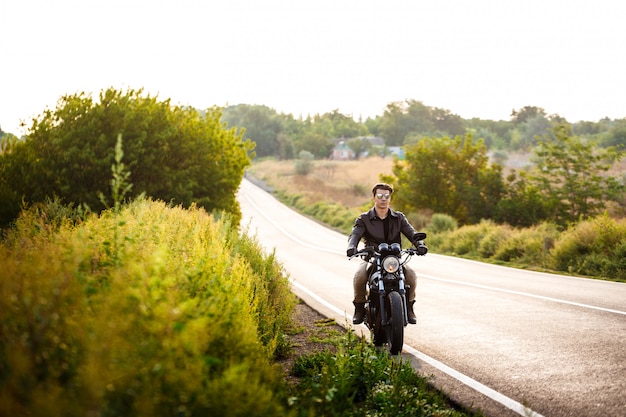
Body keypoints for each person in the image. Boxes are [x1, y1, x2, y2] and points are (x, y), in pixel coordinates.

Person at [347, 182, 427, 325]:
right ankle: (359, 308)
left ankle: (409, 307)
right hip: (372, 258)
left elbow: (411, 233)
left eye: (386, 196)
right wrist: (352, 246)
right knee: (360, 276)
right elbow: (355, 234)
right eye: (380, 195)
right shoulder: (364, 218)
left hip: (394, 259)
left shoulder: (399, 217)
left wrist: (420, 244)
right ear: (374, 197)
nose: (383, 199)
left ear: (390, 198)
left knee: (411, 276)